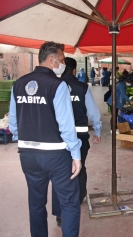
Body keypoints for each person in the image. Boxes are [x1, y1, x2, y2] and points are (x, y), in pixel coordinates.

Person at [8, 41, 82, 236]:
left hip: (28, 156)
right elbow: (66, 126)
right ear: (52, 60)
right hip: (56, 156)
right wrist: (76, 155)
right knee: (69, 203)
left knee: (36, 203)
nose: (63, 64)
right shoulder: (57, 86)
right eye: (62, 60)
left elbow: (13, 124)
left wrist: (24, 143)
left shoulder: (19, 84)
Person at [52, 57, 102, 227]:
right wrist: (98, 131)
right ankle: (79, 196)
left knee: (59, 174)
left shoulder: (53, 86)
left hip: (58, 139)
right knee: (79, 167)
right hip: (80, 137)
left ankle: (60, 214)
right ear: (74, 70)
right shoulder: (82, 87)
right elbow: (93, 112)